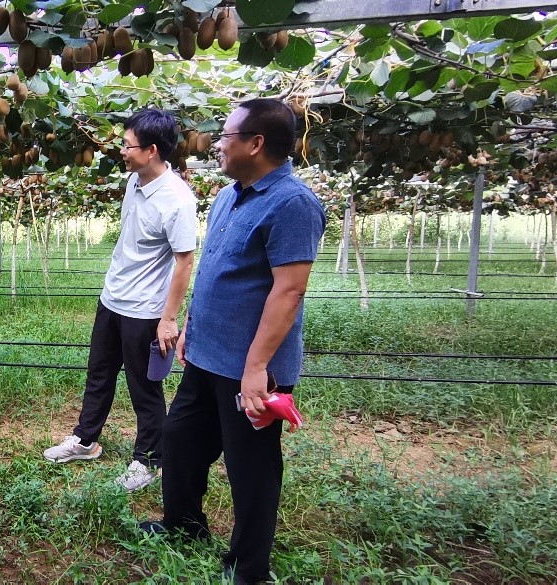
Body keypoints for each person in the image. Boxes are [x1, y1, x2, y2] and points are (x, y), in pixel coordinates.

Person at [140, 98, 326, 585]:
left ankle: (249, 567)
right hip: (207, 354)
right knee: (179, 440)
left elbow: (289, 292)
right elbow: (216, 271)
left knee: (251, 466)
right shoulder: (229, 195)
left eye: (226, 136)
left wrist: (257, 367)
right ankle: (183, 523)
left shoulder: (293, 204)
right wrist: (191, 327)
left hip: (250, 367)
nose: (217, 144)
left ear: (256, 143)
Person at [43, 108, 197, 492]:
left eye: (128, 146)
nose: (122, 151)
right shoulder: (133, 182)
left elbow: (184, 262)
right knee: (99, 373)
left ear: (152, 150)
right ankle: (86, 440)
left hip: (145, 310)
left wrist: (168, 319)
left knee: (144, 388)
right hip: (112, 298)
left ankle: (149, 459)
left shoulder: (177, 199)